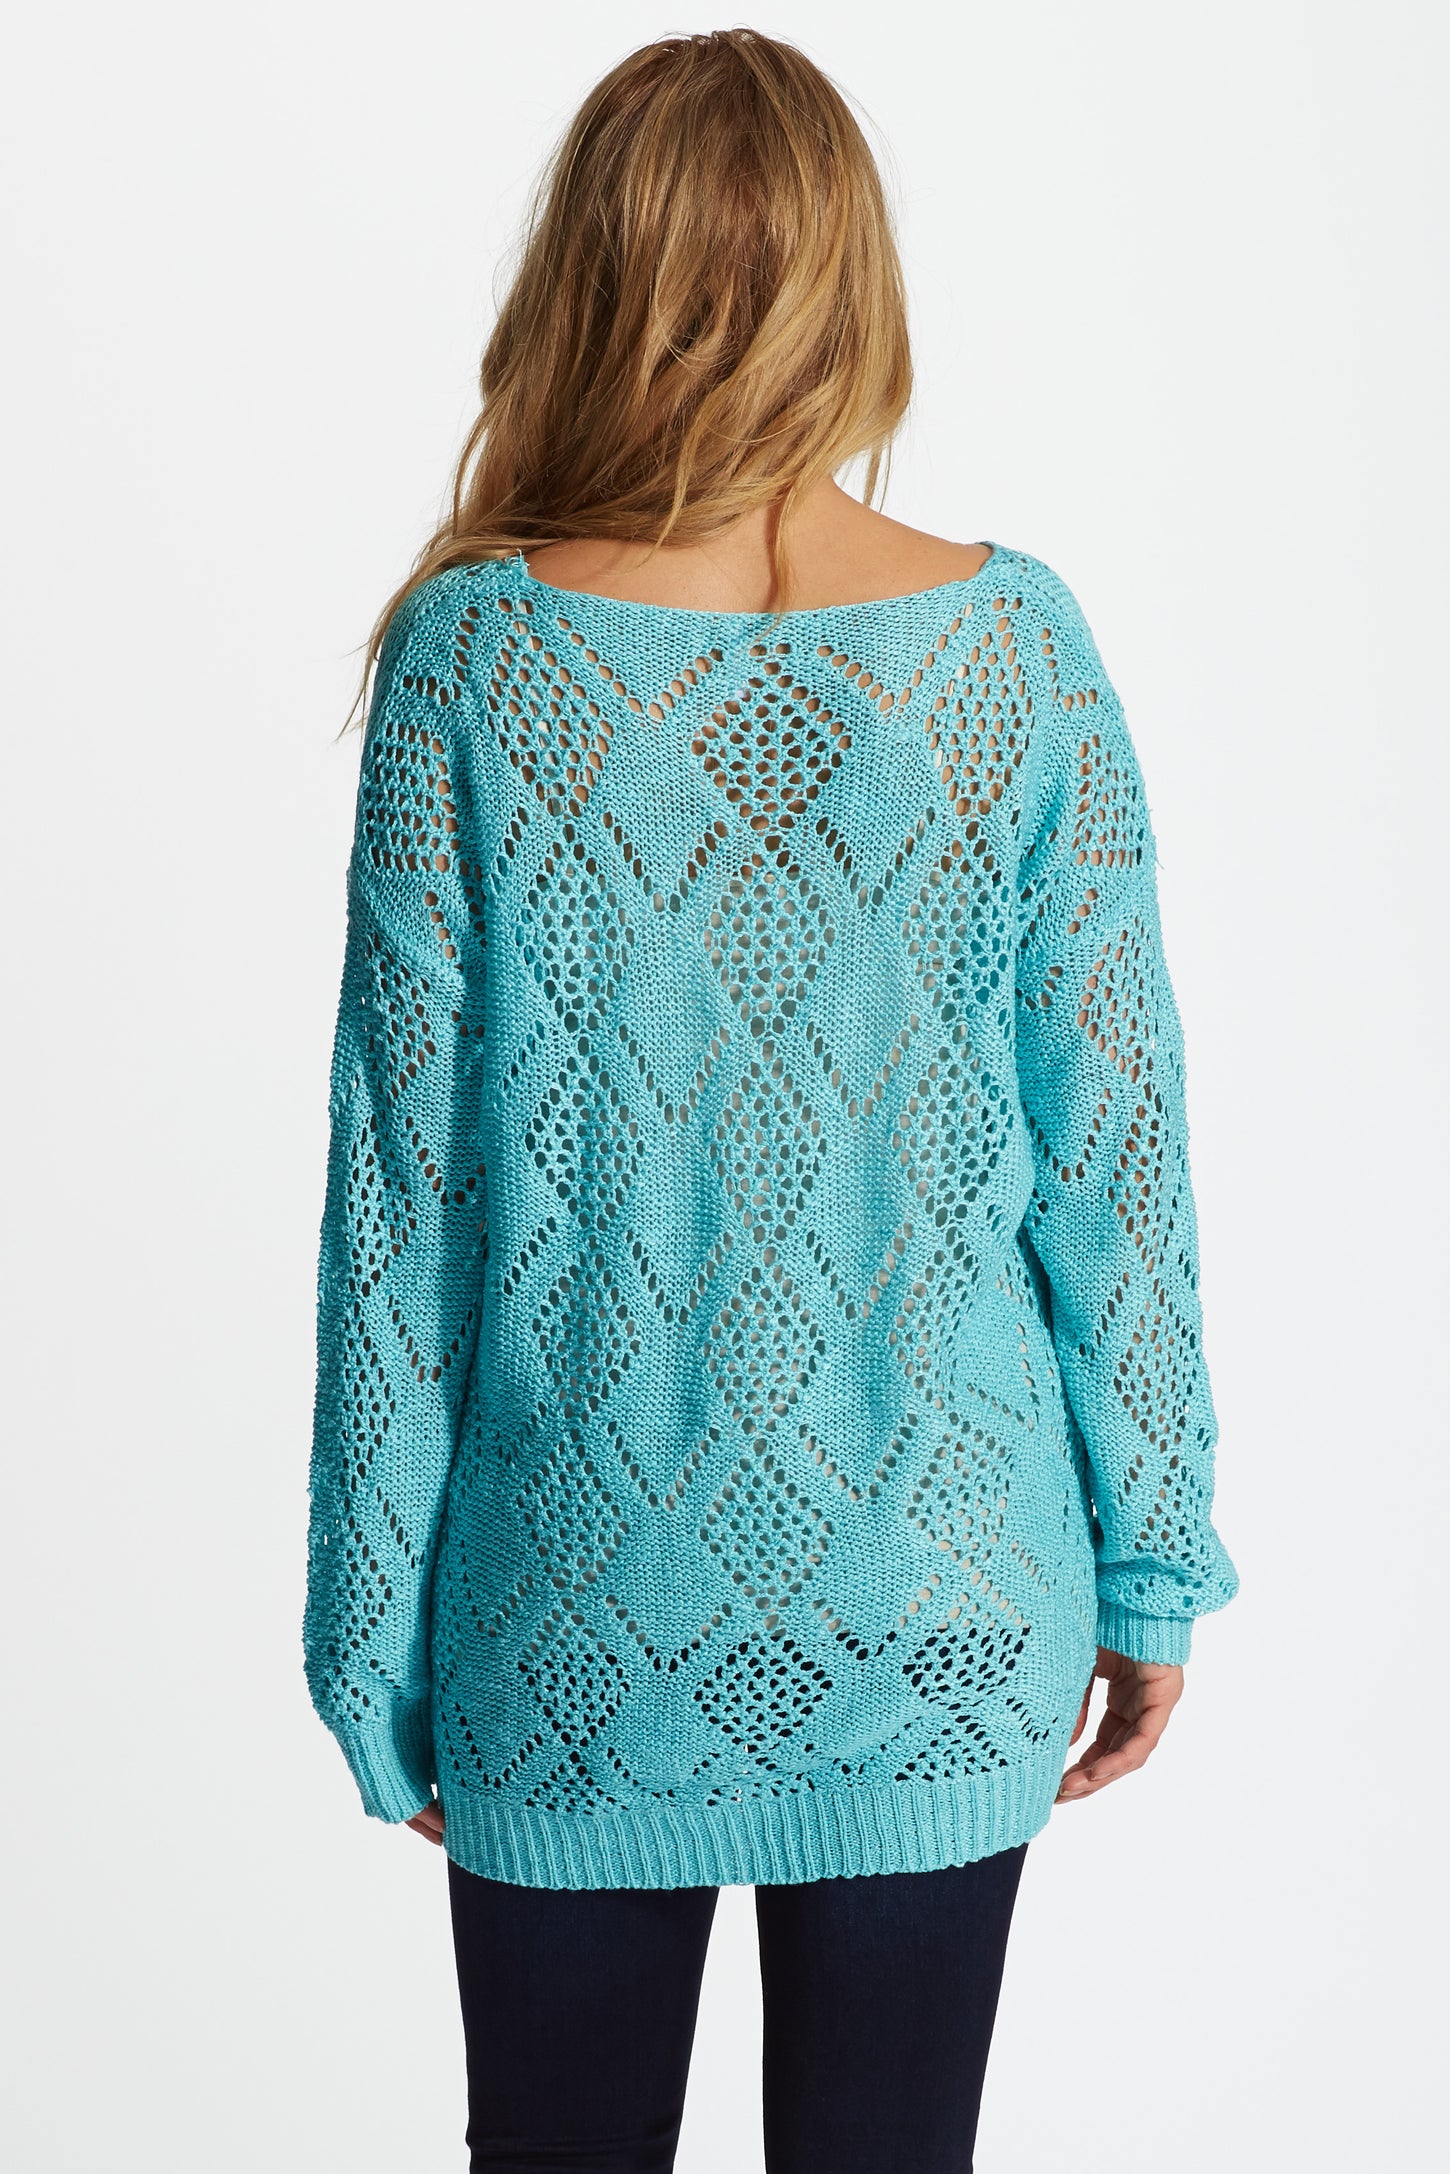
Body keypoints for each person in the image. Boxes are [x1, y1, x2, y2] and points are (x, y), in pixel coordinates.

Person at [302, 28, 1239, 2173]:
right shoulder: (1014, 650)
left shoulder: (475, 659)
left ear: (587, 278)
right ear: (850, 279)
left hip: (570, 1603)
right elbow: (1115, 1154)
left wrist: (366, 1626)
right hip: (946, 1593)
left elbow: (401, 1201)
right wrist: (1145, 1563)